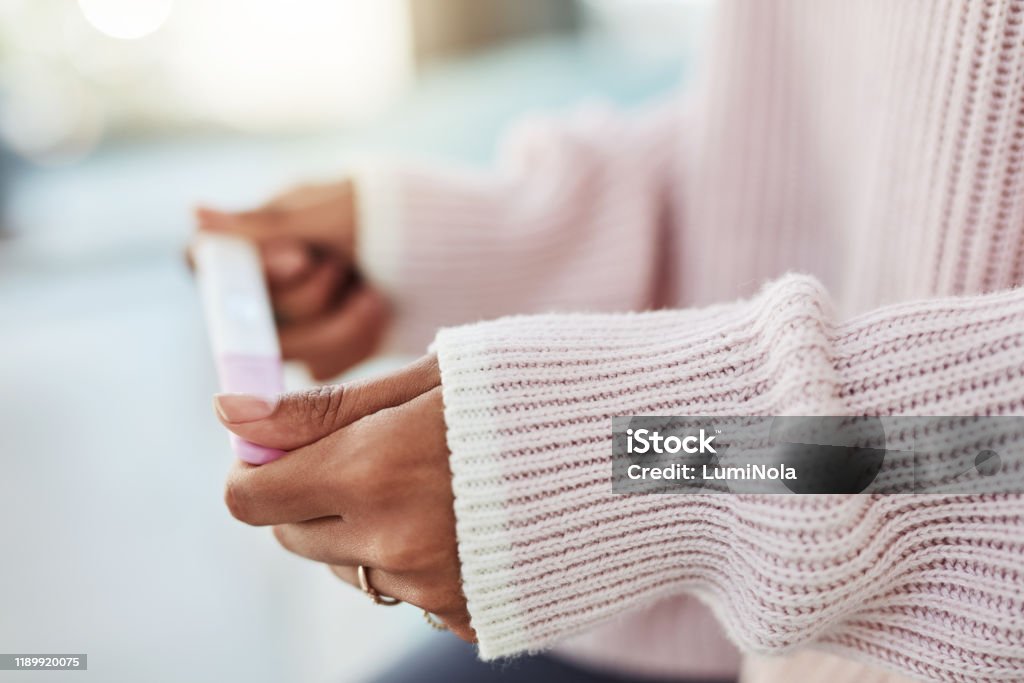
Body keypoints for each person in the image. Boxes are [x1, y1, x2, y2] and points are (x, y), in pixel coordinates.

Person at [195, 1, 1024, 681]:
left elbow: (992, 451)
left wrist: (616, 466)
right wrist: (475, 235)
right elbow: (793, 129)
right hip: (763, 637)